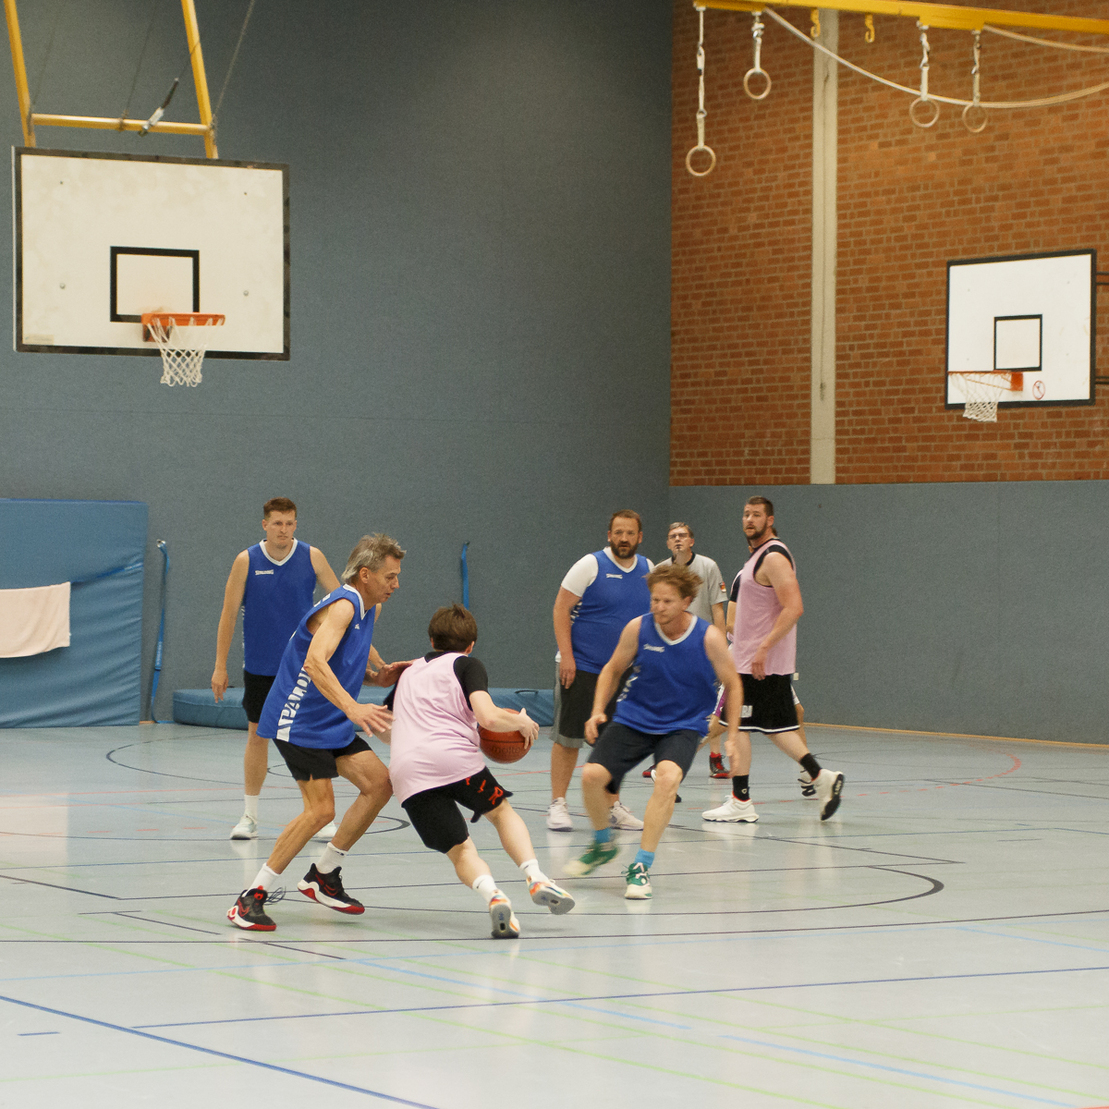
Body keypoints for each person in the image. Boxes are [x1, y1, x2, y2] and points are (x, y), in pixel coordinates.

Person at [226, 534, 409, 931]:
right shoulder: (343, 605)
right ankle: (250, 898)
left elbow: (344, 659)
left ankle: (323, 875)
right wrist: (354, 707)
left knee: (380, 783)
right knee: (320, 810)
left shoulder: (367, 607)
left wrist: (378, 677)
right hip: (299, 719)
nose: (396, 584)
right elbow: (315, 662)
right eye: (390, 577)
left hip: (329, 719)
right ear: (366, 574)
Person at [380, 604, 575, 939]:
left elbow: (383, 725)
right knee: (500, 811)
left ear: (431, 639)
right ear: (470, 646)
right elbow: (487, 716)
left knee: (461, 850)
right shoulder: (467, 665)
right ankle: (536, 876)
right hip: (455, 761)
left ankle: (494, 896)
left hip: (408, 772)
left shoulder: (408, 673)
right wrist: (521, 721)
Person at [564, 564, 740, 899]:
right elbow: (613, 669)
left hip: (683, 725)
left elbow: (733, 683)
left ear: (686, 601)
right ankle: (603, 843)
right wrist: (598, 710)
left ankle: (641, 865)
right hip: (635, 717)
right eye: (654, 600)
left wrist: (730, 734)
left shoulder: (708, 637)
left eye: (667, 601)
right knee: (591, 777)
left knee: (668, 779)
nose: (658, 607)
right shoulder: (638, 628)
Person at [213, 497, 349, 842]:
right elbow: (228, 616)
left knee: (308, 736)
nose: (284, 530)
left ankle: (319, 813)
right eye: (277, 523)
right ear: (265, 525)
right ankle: (249, 815)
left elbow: (344, 604)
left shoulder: (312, 556)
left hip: (304, 666)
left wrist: (370, 655)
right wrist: (219, 666)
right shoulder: (246, 561)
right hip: (260, 667)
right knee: (258, 734)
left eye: (289, 524)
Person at [702, 497, 843, 824]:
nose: (749, 519)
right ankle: (822, 778)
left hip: (758, 663)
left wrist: (764, 647)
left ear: (770, 520)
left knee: (736, 724)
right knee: (774, 728)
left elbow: (794, 607)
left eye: (756, 515)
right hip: (753, 662)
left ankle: (740, 800)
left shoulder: (774, 556)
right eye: (746, 513)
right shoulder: (755, 559)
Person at [549, 510, 651, 833]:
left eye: (630, 533)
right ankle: (557, 804)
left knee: (616, 741)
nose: (624, 538)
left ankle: (611, 805)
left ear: (639, 537)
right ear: (609, 535)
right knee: (568, 738)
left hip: (624, 673)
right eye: (618, 532)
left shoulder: (649, 570)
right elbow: (560, 608)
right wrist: (567, 656)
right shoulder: (590, 565)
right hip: (582, 667)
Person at [648, 521, 727, 779]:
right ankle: (661, 758)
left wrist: (722, 644)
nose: (678, 539)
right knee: (665, 702)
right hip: (668, 646)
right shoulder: (660, 570)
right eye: (673, 536)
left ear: (691, 541)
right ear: (668, 543)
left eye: (683, 535)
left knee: (709, 702)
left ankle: (715, 757)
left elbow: (717, 606)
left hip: (701, 645)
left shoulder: (708, 566)